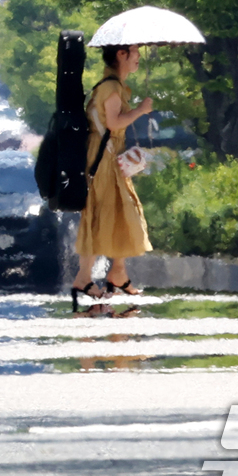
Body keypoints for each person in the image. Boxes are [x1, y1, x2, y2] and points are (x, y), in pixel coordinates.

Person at [71, 44, 154, 312]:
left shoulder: (114, 86)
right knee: (102, 214)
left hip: (109, 158)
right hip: (104, 160)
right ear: (121, 54)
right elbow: (114, 123)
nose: (138, 56)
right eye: (134, 51)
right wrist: (141, 110)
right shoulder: (110, 88)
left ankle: (117, 272)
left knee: (119, 212)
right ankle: (84, 277)